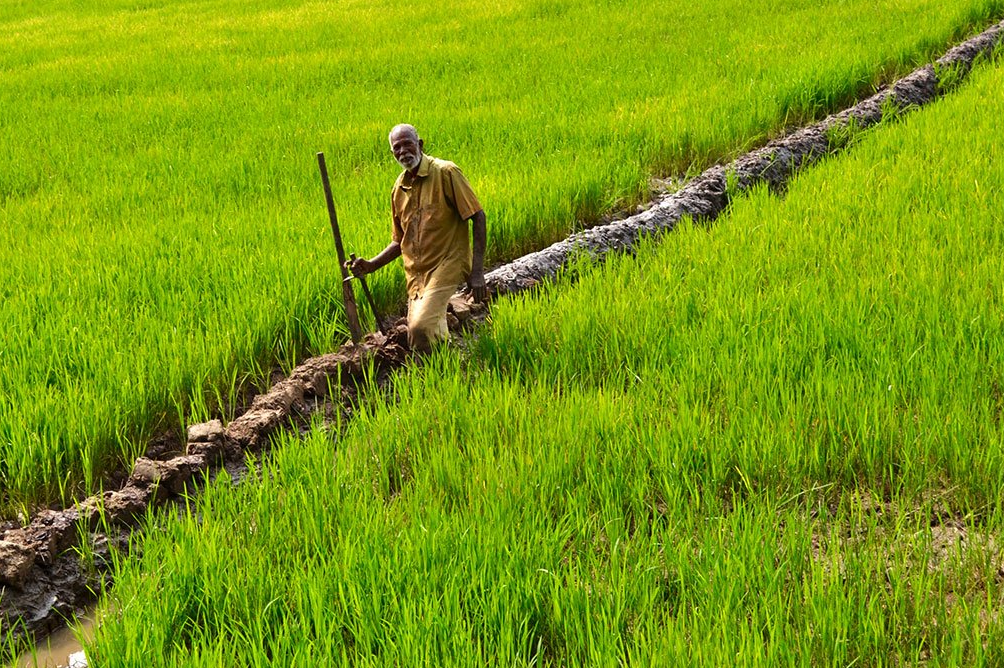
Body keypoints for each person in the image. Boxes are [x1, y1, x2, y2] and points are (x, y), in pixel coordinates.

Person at [347, 124, 487, 353]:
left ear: (420, 144)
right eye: (396, 148)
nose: (402, 151)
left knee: (420, 329)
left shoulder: (446, 173)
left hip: (447, 263)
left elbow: (478, 216)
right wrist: (372, 265)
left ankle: (439, 370)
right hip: (417, 275)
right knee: (421, 337)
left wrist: (477, 272)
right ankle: (445, 370)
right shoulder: (399, 189)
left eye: (407, 144)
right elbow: (399, 241)